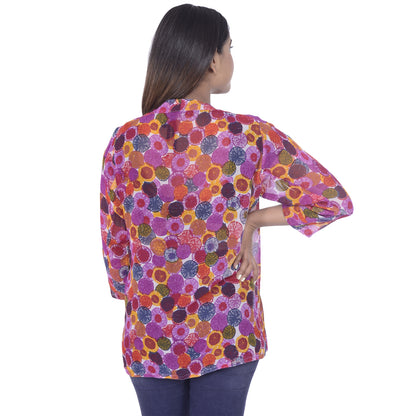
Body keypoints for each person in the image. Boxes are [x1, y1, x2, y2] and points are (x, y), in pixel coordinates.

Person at [99, 4, 354, 416]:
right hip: (227, 332)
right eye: (230, 48)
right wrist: (254, 219)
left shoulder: (126, 141)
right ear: (212, 59)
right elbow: (331, 200)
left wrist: (137, 292)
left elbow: (116, 246)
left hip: (151, 334)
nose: (231, 58)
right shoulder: (247, 136)